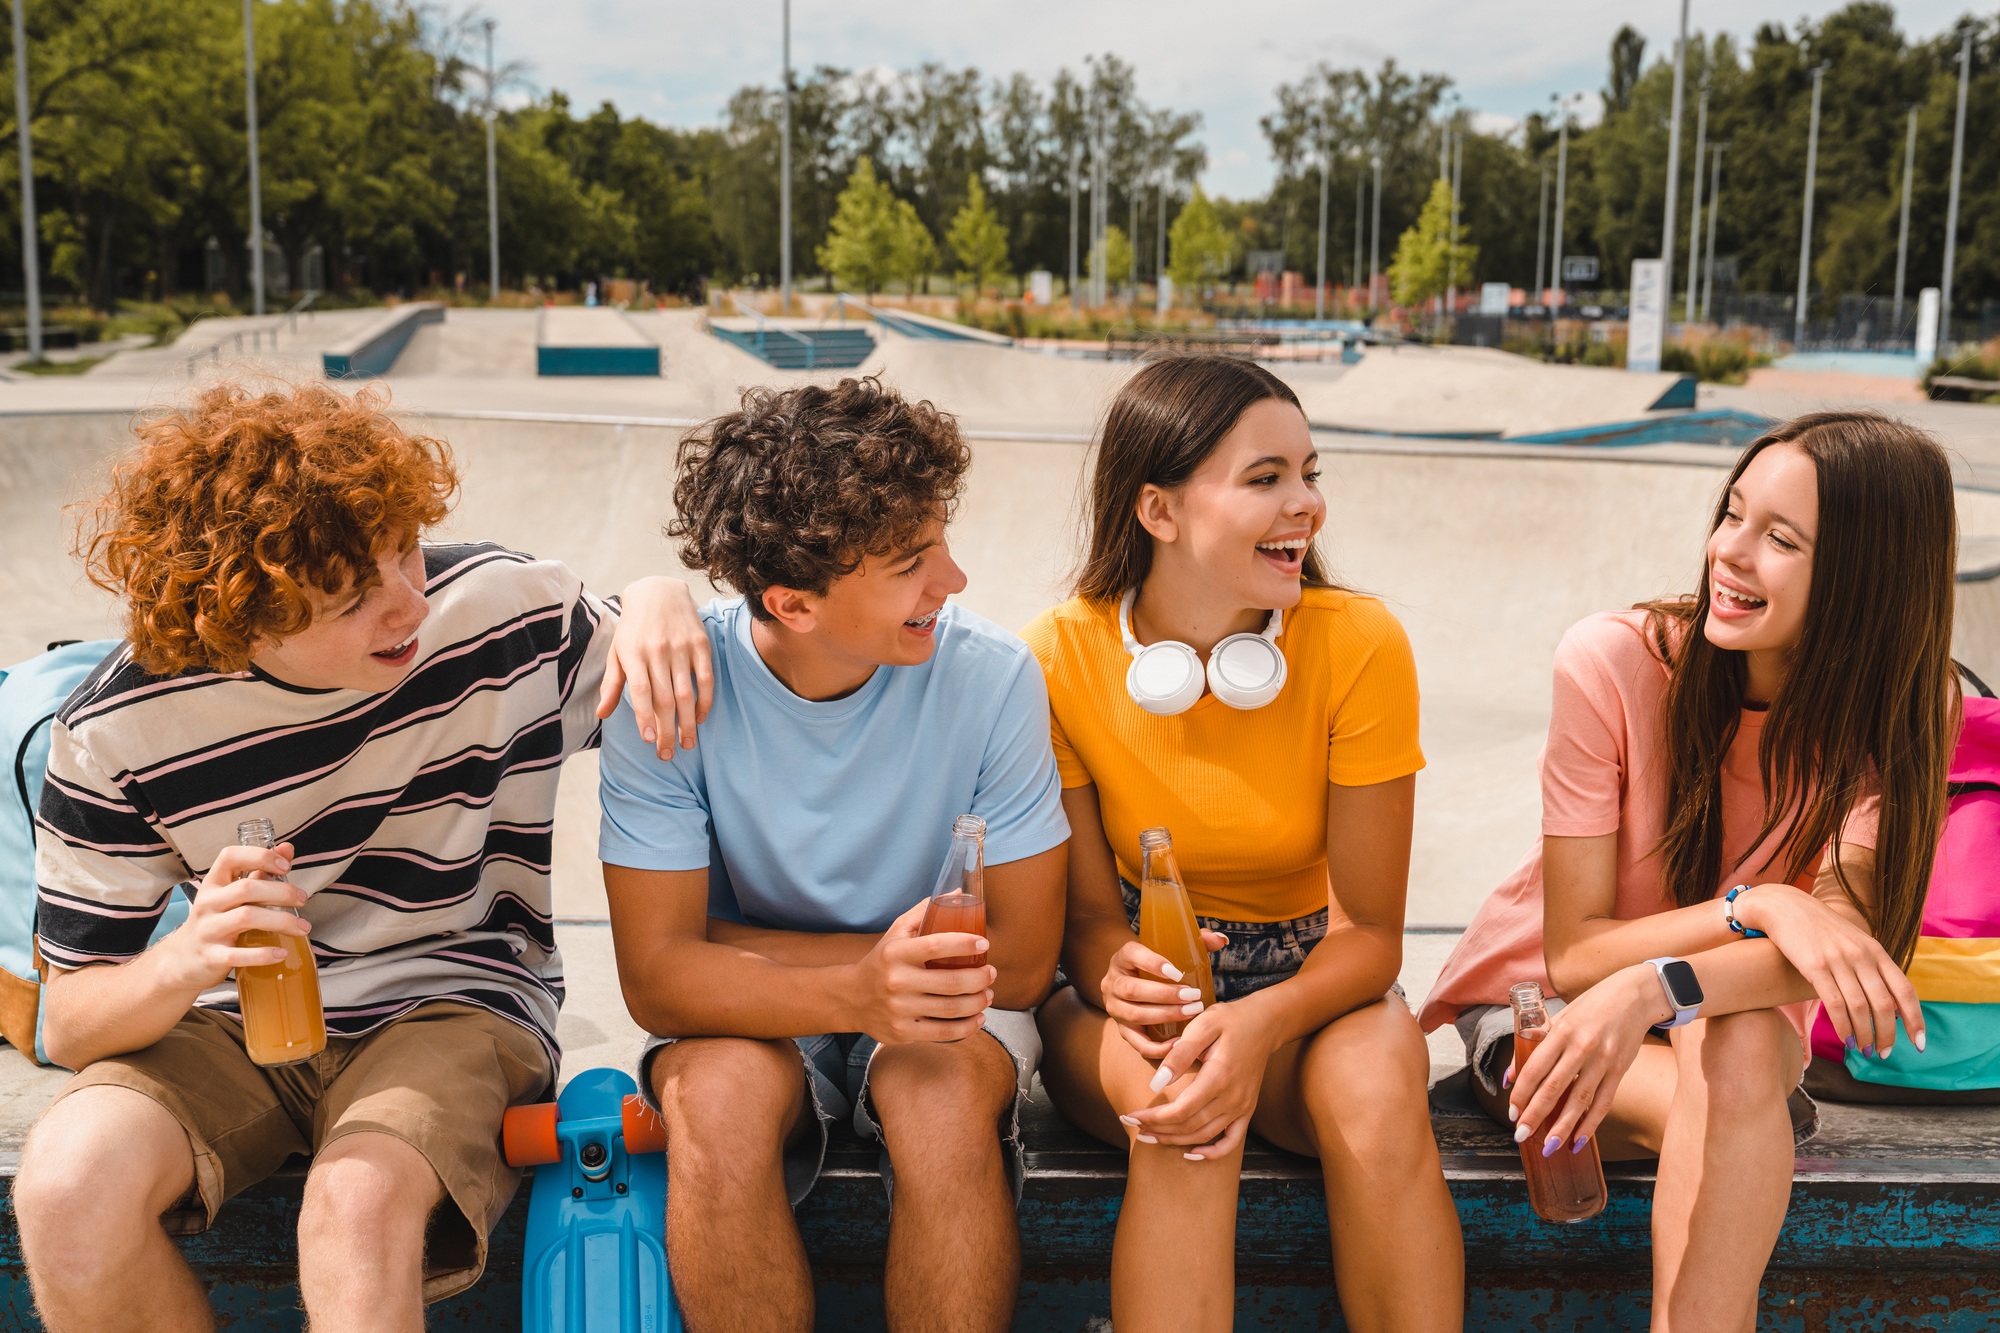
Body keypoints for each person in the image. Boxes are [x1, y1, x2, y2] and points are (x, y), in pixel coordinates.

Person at [14, 380, 710, 1333]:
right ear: (240, 615)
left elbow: (673, 642)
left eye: (405, 550)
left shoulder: (497, 613)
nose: (409, 604)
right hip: (235, 1019)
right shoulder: (118, 729)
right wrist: (189, 954)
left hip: (455, 995)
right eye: (352, 597)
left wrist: (663, 597)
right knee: (65, 1187)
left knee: (354, 1204)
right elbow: (70, 1018)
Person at [1420, 410, 1955, 1330]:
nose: (1730, 552)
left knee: (1738, 1049)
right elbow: (1578, 952)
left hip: (1718, 1026)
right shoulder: (1615, 662)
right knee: (1738, 1086)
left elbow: (1832, 952)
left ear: (1866, 577)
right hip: (1542, 1013)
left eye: (1779, 538)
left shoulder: (1905, 711)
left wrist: (1651, 992)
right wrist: (1766, 904)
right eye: (1733, 513)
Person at [596, 377, 1070, 1333]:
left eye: (940, 543)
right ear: (792, 603)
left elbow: (1018, 959)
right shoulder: (671, 690)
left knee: (937, 1099)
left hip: (934, 1011)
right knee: (715, 1100)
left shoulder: (993, 676)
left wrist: (736, 946)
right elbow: (657, 977)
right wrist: (864, 981)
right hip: (767, 1020)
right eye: (910, 563)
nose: (955, 581)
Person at [1026, 356, 1464, 1332]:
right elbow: (1090, 922)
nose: (1304, 505)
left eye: (1309, 474)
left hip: (1312, 989)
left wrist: (1258, 1022)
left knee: (1381, 1089)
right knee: (1184, 1112)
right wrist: (1124, 976)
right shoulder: (1055, 655)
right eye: (1264, 479)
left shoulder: (1358, 642)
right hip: (1128, 1006)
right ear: (1158, 509)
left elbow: (1370, 939)